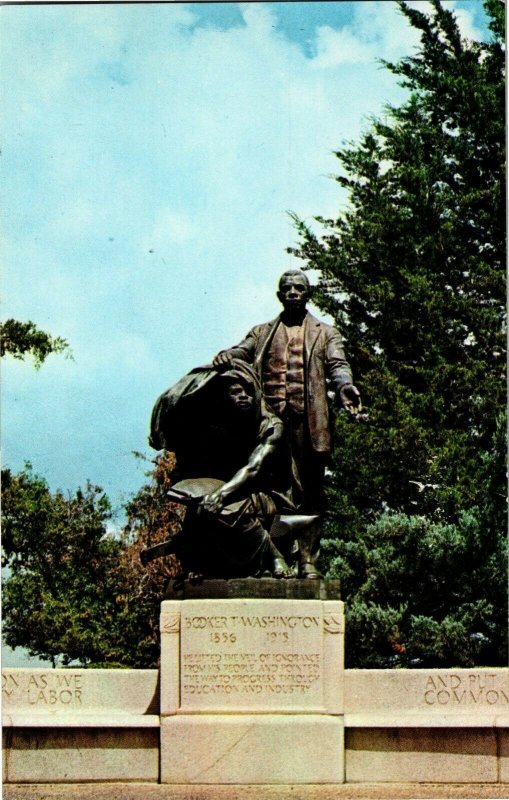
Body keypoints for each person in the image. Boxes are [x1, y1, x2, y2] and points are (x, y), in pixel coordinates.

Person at [213, 270, 361, 576]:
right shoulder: (263, 331)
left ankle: (308, 561)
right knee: (269, 493)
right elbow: (242, 351)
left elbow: (337, 364)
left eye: (299, 288)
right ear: (280, 295)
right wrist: (227, 355)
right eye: (287, 288)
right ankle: (272, 558)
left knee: (310, 493)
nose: (293, 292)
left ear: (308, 294)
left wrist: (345, 386)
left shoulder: (325, 333)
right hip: (269, 424)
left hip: (308, 425)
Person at [148, 360, 295, 579]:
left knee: (232, 507)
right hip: (228, 490)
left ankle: (273, 555)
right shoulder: (221, 427)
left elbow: (253, 469)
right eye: (236, 392)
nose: (243, 396)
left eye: (248, 391)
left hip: (269, 497)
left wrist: (220, 495)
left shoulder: (271, 426)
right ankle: (201, 564)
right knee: (201, 508)